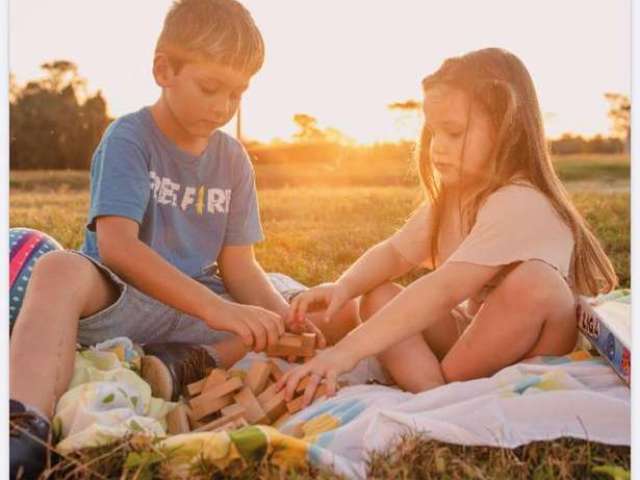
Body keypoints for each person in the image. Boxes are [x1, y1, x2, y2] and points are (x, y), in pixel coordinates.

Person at [8, 1, 358, 477]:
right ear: (163, 70)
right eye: (210, 88)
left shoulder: (233, 160)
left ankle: (182, 365)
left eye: (237, 93)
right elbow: (118, 248)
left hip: (199, 308)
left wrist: (283, 323)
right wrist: (218, 310)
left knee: (296, 306)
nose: (222, 106)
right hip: (126, 299)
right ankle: (24, 429)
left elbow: (240, 267)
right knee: (58, 269)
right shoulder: (130, 139)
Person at [277, 48, 618, 408]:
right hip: (473, 341)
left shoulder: (521, 201)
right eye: (433, 132)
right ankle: (434, 391)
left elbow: (444, 289)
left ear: (507, 129)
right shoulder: (455, 198)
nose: (437, 147)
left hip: (533, 347)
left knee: (537, 282)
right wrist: (344, 287)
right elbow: (395, 252)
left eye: (453, 133)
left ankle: (445, 391)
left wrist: (344, 353)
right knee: (377, 295)